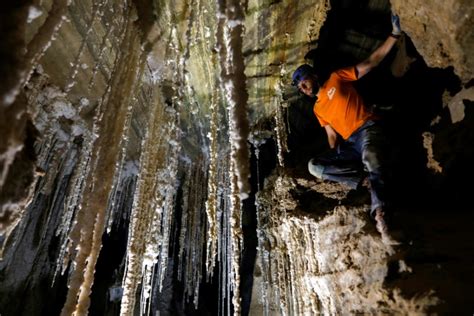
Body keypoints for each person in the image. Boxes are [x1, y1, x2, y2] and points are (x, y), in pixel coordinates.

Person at [291, 13, 402, 237]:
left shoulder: (336, 78)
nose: (304, 88)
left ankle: (381, 213)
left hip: (366, 128)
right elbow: (332, 135)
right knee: (315, 166)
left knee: (371, 155)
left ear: (312, 76)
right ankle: (363, 181)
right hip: (350, 143)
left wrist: (394, 35)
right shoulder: (317, 109)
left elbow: (370, 62)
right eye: (300, 88)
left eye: (304, 82)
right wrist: (337, 159)